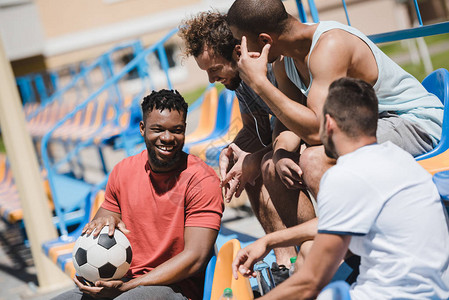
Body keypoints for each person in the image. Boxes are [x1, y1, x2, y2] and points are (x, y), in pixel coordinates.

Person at [232, 77, 449, 299]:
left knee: (311, 271)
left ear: (328, 123)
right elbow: (331, 222)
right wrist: (269, 240)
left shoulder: (344, 176)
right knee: (307, 252)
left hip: (387, 294)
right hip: (434, 291)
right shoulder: (401, 159)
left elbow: (310, 282)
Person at [226, 0, 443, 199]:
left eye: (241, 42)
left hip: (415, 124)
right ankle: (311, 241)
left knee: (313, 159)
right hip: (365, 126)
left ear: (265, 40)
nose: (239, 51)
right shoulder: (284, 62)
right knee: (271, 166)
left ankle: (345, 236)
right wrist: (281, 152)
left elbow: (317, 132)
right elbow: (287, 123)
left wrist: (260, 84)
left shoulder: (330, 45)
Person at [52, 89, 224, 300]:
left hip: (176, 287)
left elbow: (195, 258)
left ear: (185, 130)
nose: (168, 138)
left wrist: (130, 286)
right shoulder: (123, 171)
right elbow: (96, 233)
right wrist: (105, 221)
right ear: (142, 129)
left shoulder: (201, 180)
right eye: (158, 129)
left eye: (176, 130)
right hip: (125, 281)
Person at [178, 11, 316, 274]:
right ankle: (284, 264)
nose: (211, 80)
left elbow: (297, 126)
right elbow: (254, 128)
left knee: (265, 164)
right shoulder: (239, 82)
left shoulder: (273, 66)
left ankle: (318, 253)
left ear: (236, 52)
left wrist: (253, 159)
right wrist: (232, 151)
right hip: (291, 136)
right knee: (246, 166)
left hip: (312, 133)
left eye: (214, 69)